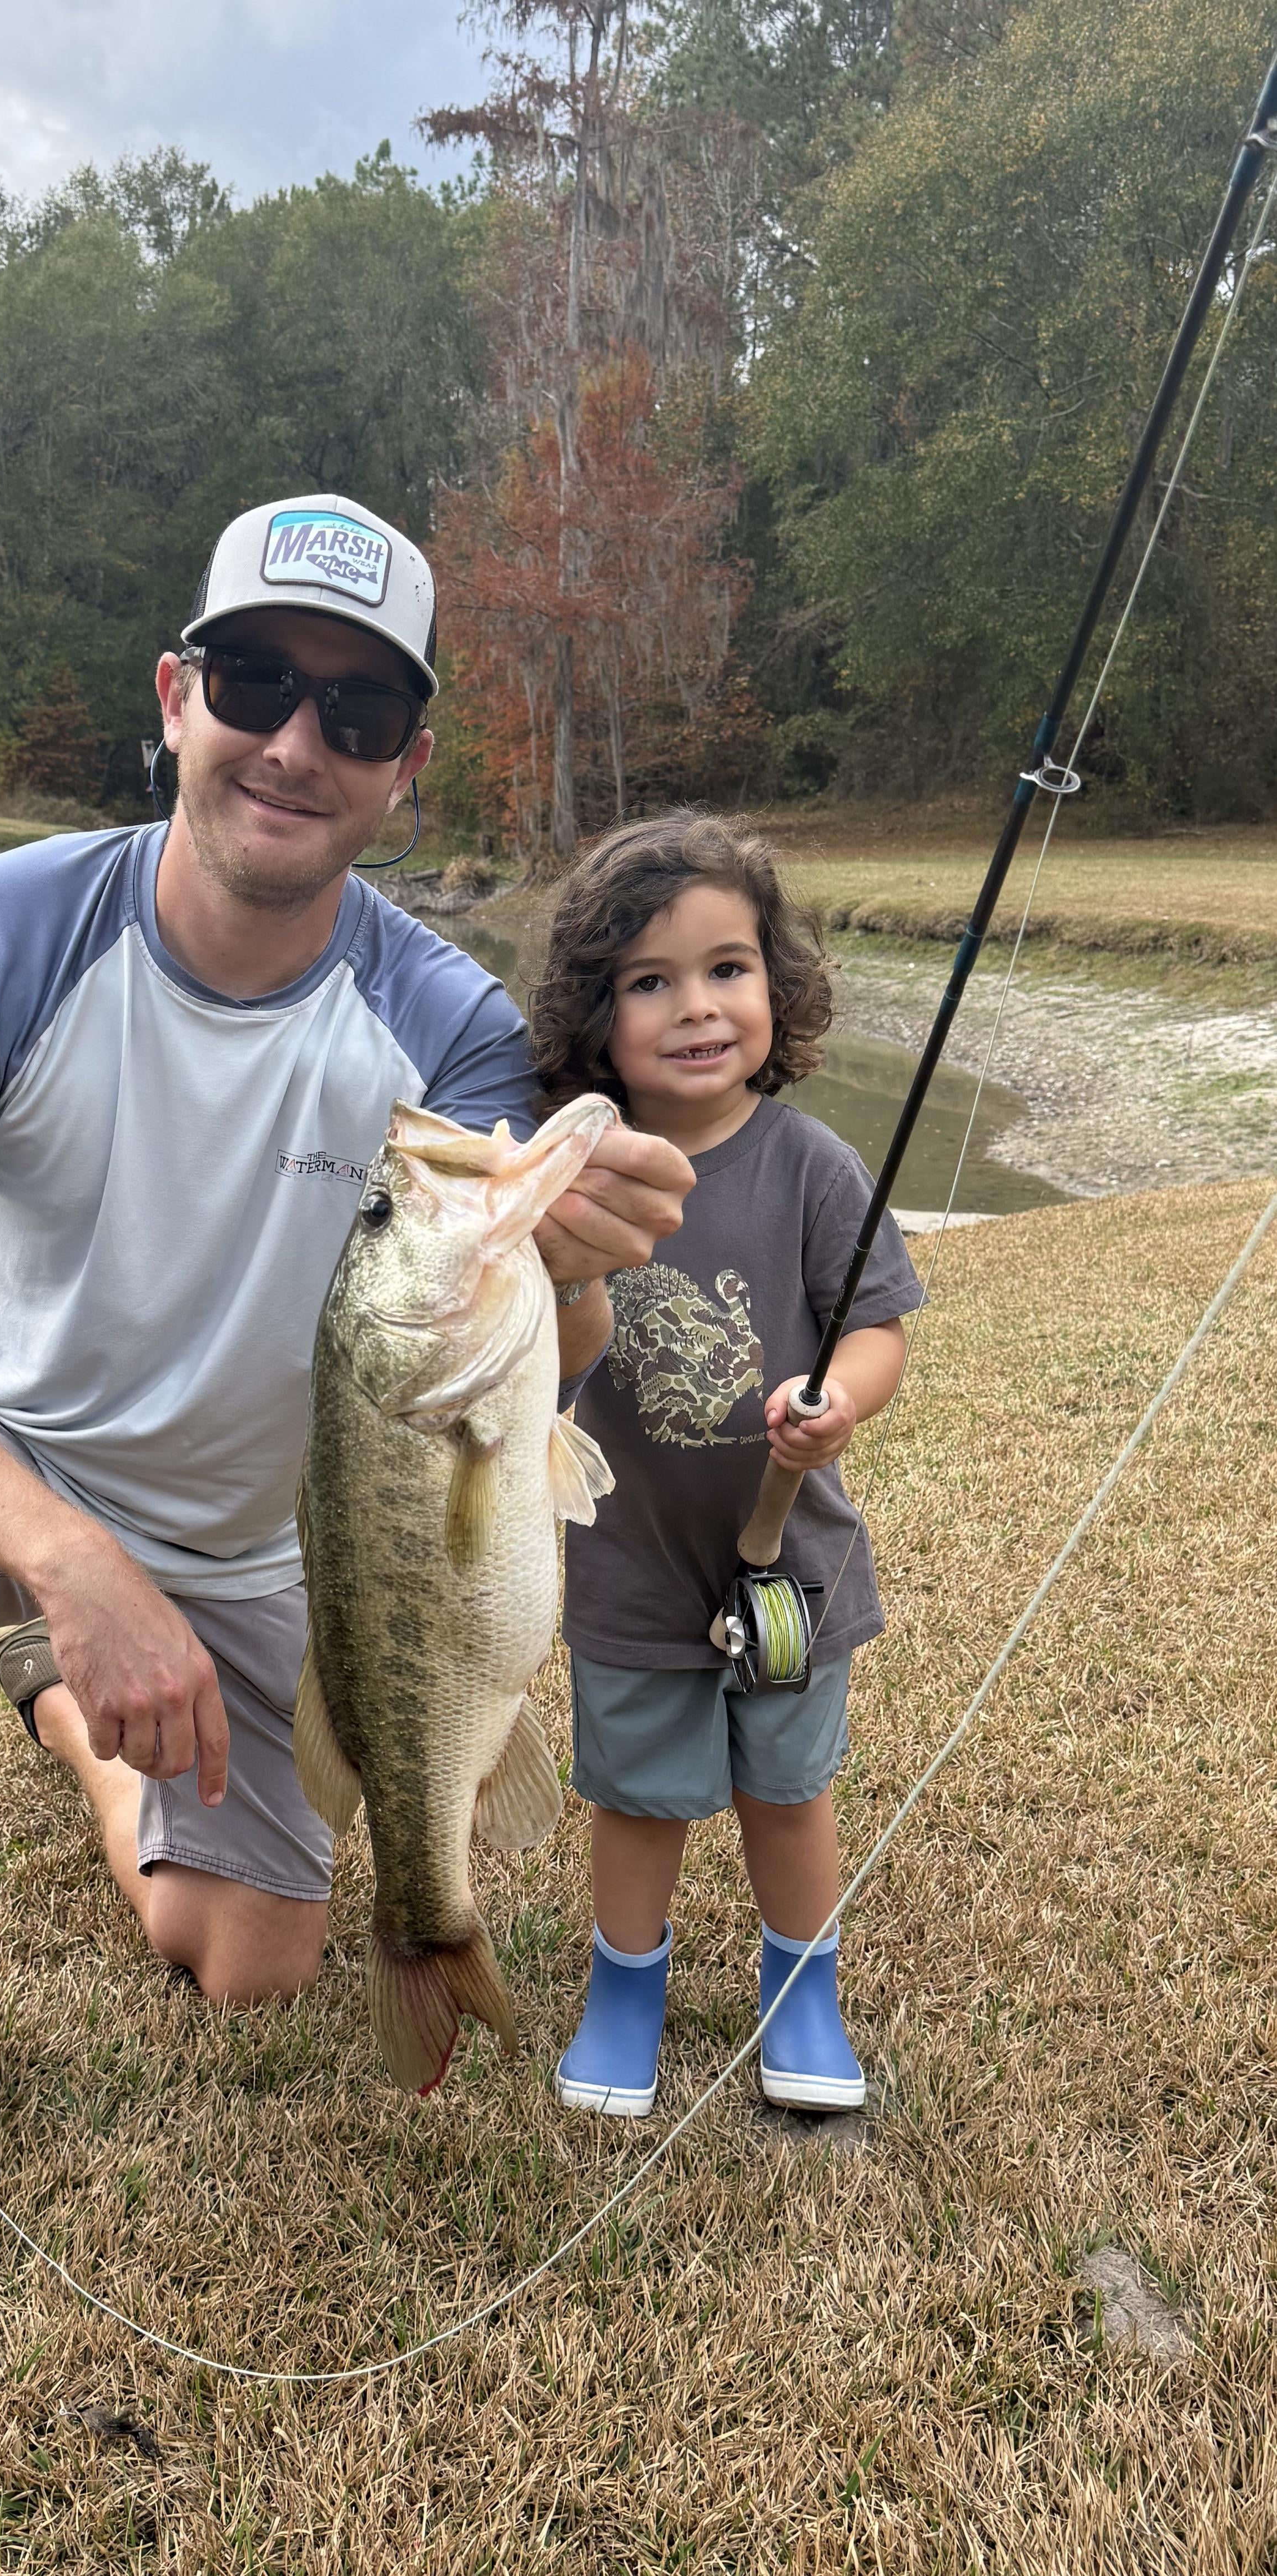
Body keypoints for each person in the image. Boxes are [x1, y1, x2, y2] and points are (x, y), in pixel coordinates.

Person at [0, 492, 695, 2274]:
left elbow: (532, 1381)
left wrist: (577, 1266)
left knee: (253, 1964)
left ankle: (63, 1709)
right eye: (256, 682)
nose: (293, 743)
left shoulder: (445, 1026)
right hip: (15, 1487)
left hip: (286, 1539)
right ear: (175, 694)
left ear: (404, 766)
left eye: (356, 709)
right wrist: (72, 1563)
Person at [527, 811, 923, 2120]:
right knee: (636, 1800)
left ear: (774, 983)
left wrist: (839, 1399)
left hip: (788, 1563)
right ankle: (622, 1994)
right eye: (649, 981)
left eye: (726, 968)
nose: (696, 1007)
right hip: (630, 1566)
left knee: (785, 1791)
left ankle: (799, 1991)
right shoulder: (573, 1178)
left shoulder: (811, 1165)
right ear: (594, 1014)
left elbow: (876, 1324)